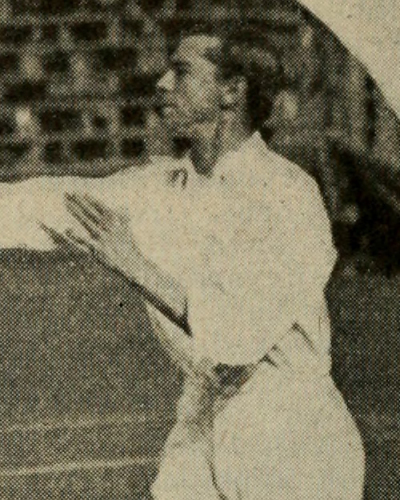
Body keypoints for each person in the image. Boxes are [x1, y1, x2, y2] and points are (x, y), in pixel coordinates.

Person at [0, 25, 365, 500]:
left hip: (292, 437)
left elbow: (238, 335)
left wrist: (133, 264)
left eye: (182, 71)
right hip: (201, 419)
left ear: (231, 91)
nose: (162, 83)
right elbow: (42, 205)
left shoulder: (289, 194)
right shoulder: (158, 189)